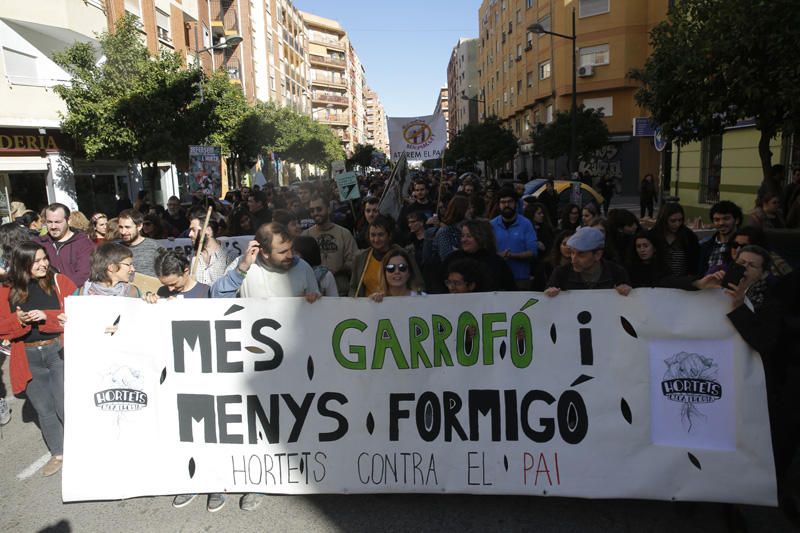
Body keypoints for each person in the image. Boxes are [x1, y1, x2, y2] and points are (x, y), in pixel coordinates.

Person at [0, 241, 75, 476]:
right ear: (23, 265)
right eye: (37, 261)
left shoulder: (58, 282)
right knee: (44, 409)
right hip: (28, 355)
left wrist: (47, 316)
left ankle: (80, 449)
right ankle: (58, 453)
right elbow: (2, 328)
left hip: (56, 350)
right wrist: (19, 321)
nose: (44, 264)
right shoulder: (6, 290)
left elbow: (75, 311)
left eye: (45, 258)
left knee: (66, 404)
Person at [211, 222, 320, 303]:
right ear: (265, 253)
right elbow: (217, 298)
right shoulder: (244, 264)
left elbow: (317, 310)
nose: (291, 255)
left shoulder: (303, 267)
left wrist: (313, 299)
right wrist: (242, 269)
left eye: (291, 249)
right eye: (283, 252)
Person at [544, 227, 631, 296]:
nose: (574, 259)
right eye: (572, 253)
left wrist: (626, 291)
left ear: (598, 255)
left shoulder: (617, 272)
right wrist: (550, 294)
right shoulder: (561, 273)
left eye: (581, 254)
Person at [625, 232, 722, 290]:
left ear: (654, 248)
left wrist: (696, 283)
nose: (642, 250)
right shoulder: (629, 269)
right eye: (638, 246)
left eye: (645, 246)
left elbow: (672, 281)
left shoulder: (661, 267)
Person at [302, 195, 356, 296]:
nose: (315, 213)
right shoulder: (306, 235)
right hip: (314, 295)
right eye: (312, 210)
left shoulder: (344, 233)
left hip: (341, 292)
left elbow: (354, 261)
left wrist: (338, 269)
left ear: (329, 209)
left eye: (319, 209)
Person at [443, 219, 516, 292]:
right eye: (462, 236)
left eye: (469, 236)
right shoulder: (452, 259)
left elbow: (509, 288)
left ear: (481, 237)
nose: (464, 240)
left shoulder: (495, 262)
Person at [35, 203, 95, 287]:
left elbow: (83, 274)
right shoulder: (38, 243)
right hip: (45, 293)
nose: (53, 226)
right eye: (49, 222)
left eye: (57, 222)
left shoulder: (83, 243)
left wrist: (61, 288)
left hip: (73, 294)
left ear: (69, 220)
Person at [491, 187, 538, 289]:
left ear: (516, 203)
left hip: (520, 279)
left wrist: (512, 255)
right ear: (499, 205)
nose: (506, 205)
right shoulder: (492, 225)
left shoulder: (526, 224)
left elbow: (533, 252)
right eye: (503, 202)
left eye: (510, 201)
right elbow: (486, 251)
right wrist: (498, 255)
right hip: (497, 278)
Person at [349, 216, 397, 297]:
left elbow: (417, 284)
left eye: (381, 235)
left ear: (389, 235)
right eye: (373, 235)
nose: (376, 239)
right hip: (368, 306)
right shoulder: (360, 258)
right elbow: (353, 287)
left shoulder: (402, 255)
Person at [649, 203, 701, 277]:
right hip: (658, 281)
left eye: (680, 220)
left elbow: (695, 260)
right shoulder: (653, 235)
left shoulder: (689, 236)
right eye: (673, 221)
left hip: (683, 281)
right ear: (664, 219)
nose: (677, 224)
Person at [76, 242, 140, 297]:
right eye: (128, 265)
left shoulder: (133, 292)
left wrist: (149, 301)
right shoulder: (83, 292)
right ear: (111, 267)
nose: (133, 269)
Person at [187, 214, 235, 286]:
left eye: (193, 230)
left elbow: (231, 287)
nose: (190, 234)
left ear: (208, 231)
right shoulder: (192, 257)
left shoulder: (229, 256)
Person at [699, 200, 742, 274]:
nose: (721, 223)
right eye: (717, 220)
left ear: (737, 220)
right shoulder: (705, 246)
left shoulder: (743, 245)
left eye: (726, 219)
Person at [117, 209, 161, 277]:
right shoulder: (115, 249)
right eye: (120, 227)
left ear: (139, 226)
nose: (123, 232)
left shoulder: (154, 247)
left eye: (127, 227)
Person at [435, 195, 470, 262]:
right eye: (468, 208)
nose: (471, 211)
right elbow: (447, 258)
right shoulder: (445, 232)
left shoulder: (467, 228)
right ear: (461, 210)